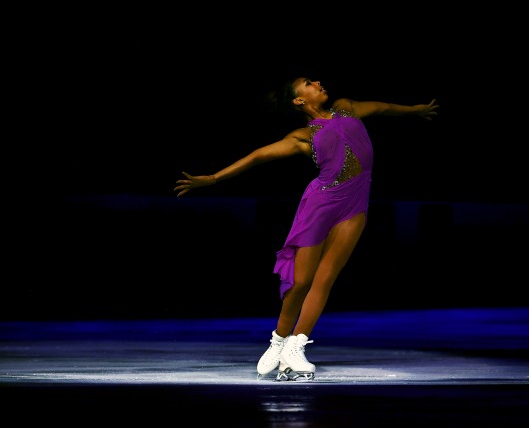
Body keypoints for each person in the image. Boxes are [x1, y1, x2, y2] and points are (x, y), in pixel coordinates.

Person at [174, 77, 439, 381]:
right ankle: (278, 341)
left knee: (325, 278)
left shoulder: (346, 108)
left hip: (355, 203)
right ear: (298, 100)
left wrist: (414, 109)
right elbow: (258, 155)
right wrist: (214, 178)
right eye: (308, 83)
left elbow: (382, 108)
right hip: (321, 203)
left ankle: (296, 347)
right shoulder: (304, 135)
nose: (317, 82)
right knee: (301, 282)